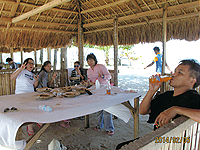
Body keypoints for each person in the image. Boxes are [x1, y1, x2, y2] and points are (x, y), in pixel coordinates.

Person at [116, 59, 200, 149]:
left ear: (192, 81)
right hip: (160, 140)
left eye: (180, 73)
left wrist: (176, 109)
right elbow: (143, 111)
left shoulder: (193, 97)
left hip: (173, 143)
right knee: (120, 146)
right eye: (175, 71)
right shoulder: (166, 96)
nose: (173, 74)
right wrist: (152, 90)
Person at [86, 53, 114, 135]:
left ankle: (110, 128)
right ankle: (99, 125)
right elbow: (90, 80)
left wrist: (103, 76)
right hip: (95, 90)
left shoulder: (101, 66)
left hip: (104, 89)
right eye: (88, 61)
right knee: (98, 108)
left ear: (95, 60)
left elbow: (109, 76)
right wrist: (88, 82)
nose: (90, 62)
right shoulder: (88, 70)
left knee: (106, 109)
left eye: (91, 60)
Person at [11, 58, 39, 136]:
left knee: (33, 109)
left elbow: (34, 86)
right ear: (25, 63)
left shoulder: (32, 74)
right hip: (21, 94)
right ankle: (28, 126)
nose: (32, 65)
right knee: (25, 110)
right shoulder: (21, 71)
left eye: (33, 64)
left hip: (30, 94)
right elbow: (12, 78)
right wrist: (20, 69)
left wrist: (36, 80)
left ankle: (31, 124)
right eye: (30, 63)